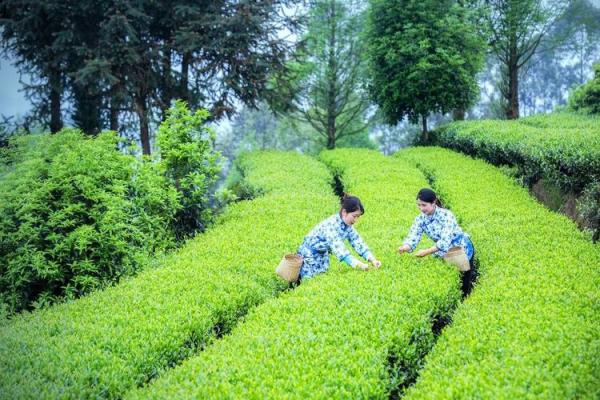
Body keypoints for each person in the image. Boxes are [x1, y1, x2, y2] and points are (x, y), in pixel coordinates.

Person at [397, 188, 477, 296]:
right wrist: (405, 247)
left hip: (460, 248)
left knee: (463, 282)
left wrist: (426, 252)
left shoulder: (446, 215)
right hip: (442, 250)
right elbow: (413, 236)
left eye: (424, 205)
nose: (421, 208)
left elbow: (445, 241)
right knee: (449, 280)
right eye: (418, 205)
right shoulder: (420, 219)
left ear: (433, 202)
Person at [297, 194, 381, 280]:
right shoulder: (331, 225)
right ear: (344, 212)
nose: (355, 220)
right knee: (307, 282)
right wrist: (359, 265)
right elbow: (340, 250)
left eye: (358, 217)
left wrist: (373, 260)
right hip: (309, 256)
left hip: (322, 256)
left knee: (319, 280)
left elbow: (357, 242)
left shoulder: (347, 226)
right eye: (354, 216)